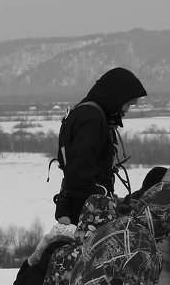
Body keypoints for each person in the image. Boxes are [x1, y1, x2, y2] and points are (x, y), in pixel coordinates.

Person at [52, 67, 146, 224]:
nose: (126, 110)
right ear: (116, 97)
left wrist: (110, 202)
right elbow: (80, 172)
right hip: (86, 213)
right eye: (127, 104)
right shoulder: (92, 118)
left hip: (87, 207)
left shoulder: (91, 113)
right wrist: (98, 208)